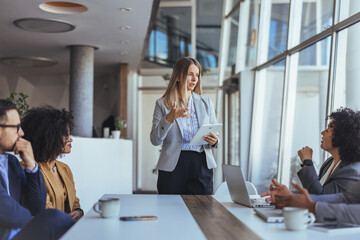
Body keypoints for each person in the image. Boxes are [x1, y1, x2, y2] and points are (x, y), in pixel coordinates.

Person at [0, 99, 74, 240]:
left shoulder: (12, 163)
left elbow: (37, 207)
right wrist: (43, 221)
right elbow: (8, 212)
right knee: (54, 217)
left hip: (22, 234)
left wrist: (31, 164)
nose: (21, 133)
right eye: (16, 127)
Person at [150, 57, 218, 195]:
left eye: (197, 75)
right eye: (190, 74)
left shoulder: (206, 102)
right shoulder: (162, 104)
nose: (195, 79)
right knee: (170, 209)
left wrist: (215, 141)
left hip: (201, 163)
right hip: (173, 165)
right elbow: (155, 140)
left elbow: (215, 132)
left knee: (202, 210)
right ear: (179, 76)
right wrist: (169, 118)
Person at [21, 106, 83, 221]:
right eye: (66, 135)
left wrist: (78, 212)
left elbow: (74, 202)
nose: (71, 139)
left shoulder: (64, 168)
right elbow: (44, 209)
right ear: (49, 136)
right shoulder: (29, 169)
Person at [296, 108, 360, 194]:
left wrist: (307, 163)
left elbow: (321, 197)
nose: (322, 132)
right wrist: (284, 194)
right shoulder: (329, 162)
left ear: (342, 135)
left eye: (328, 129)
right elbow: (313, 189)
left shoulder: (352, 171)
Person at [270, 180, 360, 224]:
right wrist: (293, 198)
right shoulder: (328, 163)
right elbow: (345, 198)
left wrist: (314, 207)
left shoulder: (353, 169)